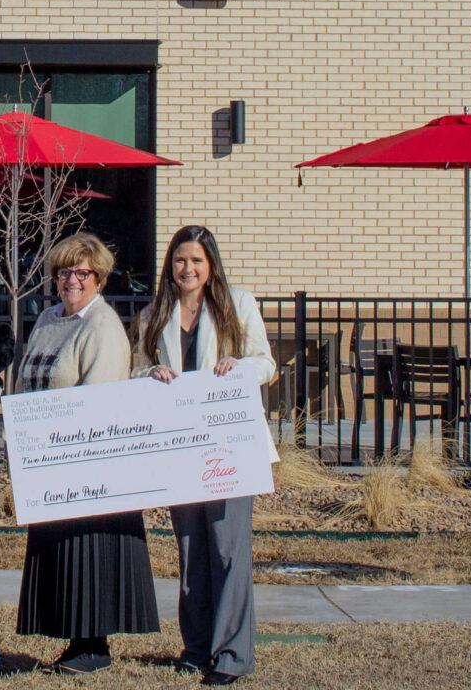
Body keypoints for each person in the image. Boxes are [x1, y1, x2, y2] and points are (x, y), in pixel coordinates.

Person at [134, 225, 278, 685]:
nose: (187, 268)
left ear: (210, 264)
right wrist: (150, 372)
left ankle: (232, 654)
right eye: (179, 260)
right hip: (181, 447)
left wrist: (239, 368)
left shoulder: (239, 304)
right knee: (191, 547)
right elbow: (136, 368)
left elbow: (266, 363)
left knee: (227, 548)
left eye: (195, 260)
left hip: (227, 446)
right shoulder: (155, 313)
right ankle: (195, 648)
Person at [11, 231, 159, 675]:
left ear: (100, 277)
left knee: (88, 553)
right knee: (61, 553)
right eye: (64, 272)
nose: (71, 280)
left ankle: (93, 645)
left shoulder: (103, 325)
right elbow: (23, 380)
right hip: (46, 461)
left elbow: (101, 401)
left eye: (82, 272)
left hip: (87, 466)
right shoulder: (48, 320)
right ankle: (74, 641)